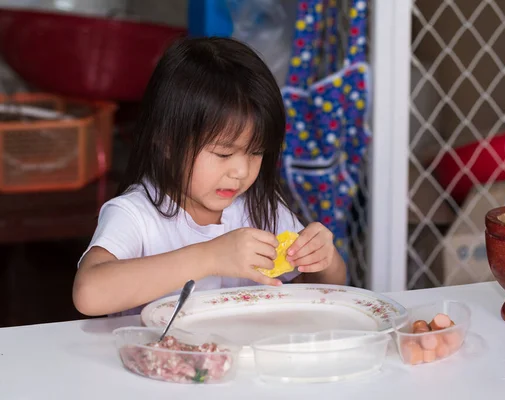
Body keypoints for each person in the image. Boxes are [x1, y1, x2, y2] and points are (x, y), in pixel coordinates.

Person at [72, 37, 347, 317]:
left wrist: (325, 260)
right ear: (167, 141)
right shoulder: (136, 215)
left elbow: (321, 292)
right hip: (156, 359)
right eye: (223, 154)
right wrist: (210, 257)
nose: (241, 172)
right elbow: (88, 294)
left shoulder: (260, 208)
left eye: (256, 153)